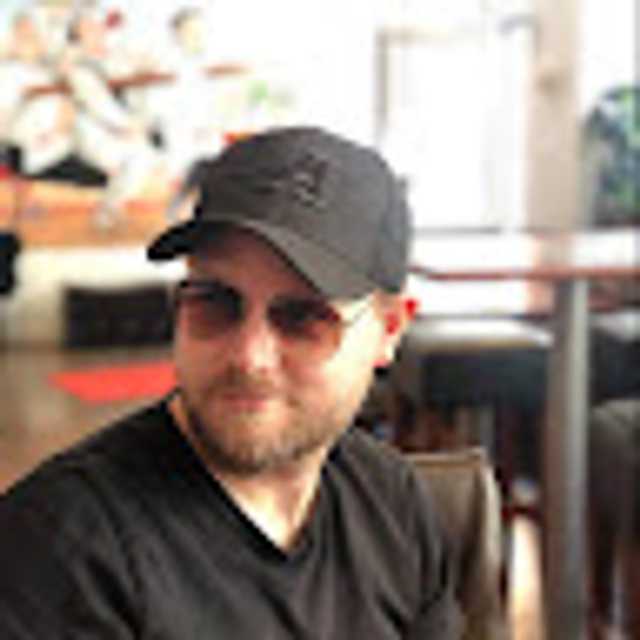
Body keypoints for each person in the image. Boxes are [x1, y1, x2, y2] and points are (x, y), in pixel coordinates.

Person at [0, 127, 462, 638]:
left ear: (389, 330)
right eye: (215, 301)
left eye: (304, 317)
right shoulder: (61, 552)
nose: (249, 357)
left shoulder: (394, 506)